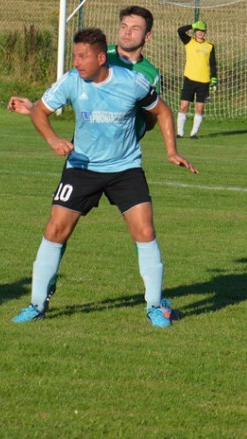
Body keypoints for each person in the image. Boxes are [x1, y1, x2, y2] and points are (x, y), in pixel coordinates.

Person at [12, 27, 197, 328]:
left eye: (82, 57)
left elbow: (163, 112)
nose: (76, 62)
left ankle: (154, 306)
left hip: (125, 168)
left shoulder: (132, 82)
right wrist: (53, 140)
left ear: (101, 58)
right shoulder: (71, 81)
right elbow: (39, 111)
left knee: (145, 231)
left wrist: (171, 151)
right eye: (75, 56)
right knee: (56, 229)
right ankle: (36, 304)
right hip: (82, 167)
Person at [8, 5, 160, 138]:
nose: (127, 32)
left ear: (147, 36)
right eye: (124, 26)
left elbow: (150, 123)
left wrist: (143, 101)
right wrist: (34, 107)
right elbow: (70, 86)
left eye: (135, 29)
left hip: (123, 152)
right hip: (87, 145)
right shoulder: (99, 56)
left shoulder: (150, 74)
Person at [177, 20, 217, 138]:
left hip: (204, 81)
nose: (200, 33)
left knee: (199, 108)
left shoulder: (210, 46)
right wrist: (192, 25)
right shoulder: (189, 41)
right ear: (195, 31)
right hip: (189, 79)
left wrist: (214, 79)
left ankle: (194, 133)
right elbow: (180, 31)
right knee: (183, 106)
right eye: (198, 30)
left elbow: (213, 64)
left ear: (205, 32)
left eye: (203, 31)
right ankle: (179, 133)